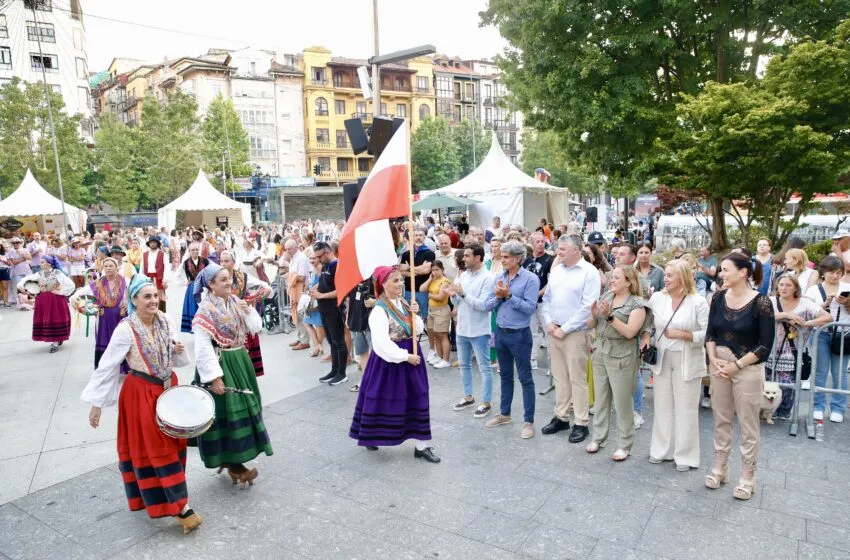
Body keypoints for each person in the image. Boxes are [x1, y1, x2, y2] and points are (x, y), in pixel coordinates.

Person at [80, 275, 202, 534]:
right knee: (157, 448)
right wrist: (97, 404)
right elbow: (108, 365)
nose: (153, 300)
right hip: (140, 393)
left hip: (169, 389)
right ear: (134, 300)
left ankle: (173, 498)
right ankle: (181, 506)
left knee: (174, 444)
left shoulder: (166, 321)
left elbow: (179, 361)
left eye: (155, 296)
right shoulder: (126, 329)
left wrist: (179, 350)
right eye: (147, 297)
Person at [192, 263, 274, 485]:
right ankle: (235, 464)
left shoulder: (235, 302)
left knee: (244, 409)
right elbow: (202, 347)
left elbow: (255, 327)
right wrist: (214, 377)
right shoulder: (205, 311)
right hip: (221, 365)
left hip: (240, 360)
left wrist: (249, 311)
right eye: (223, 280)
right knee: (228, 414)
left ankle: (231, 461)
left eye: (229, 279)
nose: (229, 283)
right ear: (210, 284)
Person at [348, 265, 440, 463]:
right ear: (383, 284)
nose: (400, 284)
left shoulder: (404, 303)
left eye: (401, 280)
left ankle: (421, 445)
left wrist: (415, 313)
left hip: (412, 356)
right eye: (395, 280)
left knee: (418, 395)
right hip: (390, 362)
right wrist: (404, 356)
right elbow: (380, 344)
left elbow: (418, 330)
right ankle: (370, 435)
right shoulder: (379, 311)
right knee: (383, 398)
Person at [705, 252, 774, 500]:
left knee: (748, 423)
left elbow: (765, 345)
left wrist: (737, 365)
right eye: (721, 270)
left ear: (743, 272)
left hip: (748, 368)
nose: (721, 274)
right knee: (720, 419)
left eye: (725, 269)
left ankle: (748, 474)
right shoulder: (718, 297)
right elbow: (711, 333)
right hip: (719, 365)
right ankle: (720, 467)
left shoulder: (761, 302)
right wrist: (713, 359)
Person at [643, 260, 709, 471]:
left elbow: (708, 334)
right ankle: (661, 450)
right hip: (662, 358)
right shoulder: (657, 298)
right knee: (662, 406)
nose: (666, 278)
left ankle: (686, 456)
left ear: (683, 277)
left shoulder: (698, 302)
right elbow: (649, 323)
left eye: (670, 275)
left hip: (686, 360)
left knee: (686, 409)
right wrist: (646, 336)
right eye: (666, 274)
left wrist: (685, 335)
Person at [540, 234, 600, 443]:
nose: (559, 252)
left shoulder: (589, 273)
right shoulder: (556, 271)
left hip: (575, 333)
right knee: (559, 377)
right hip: (554, 329)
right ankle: (561, 416)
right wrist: (548, 323)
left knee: (577, 378)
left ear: (576, 250)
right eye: (559, 248)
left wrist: (564, 329)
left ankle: (581, 422)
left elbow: (587, 307)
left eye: (563, 249)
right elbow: (546, 299)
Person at [585, 265, 647, 460]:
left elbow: (630, 332)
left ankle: (625, 444)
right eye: (611, 277)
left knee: (622, 403)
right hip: (601, 351)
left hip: (622, 355)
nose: (611, 280)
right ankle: (598, 437)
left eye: (616, 278)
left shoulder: (637, 304)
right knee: (601, 400)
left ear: (628, 281)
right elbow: (590, 324)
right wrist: (594, 313)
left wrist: (610, 316)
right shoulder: (606, 297)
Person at [483, 240, 540, 439]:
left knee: (525, 378)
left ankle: (528, 421)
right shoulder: (500, 276)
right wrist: (499, 297)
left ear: (517, 259)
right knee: (505, 375)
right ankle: (505, 414)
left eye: (506, 257)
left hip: (520, 335)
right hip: (501, 332)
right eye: (502, 256)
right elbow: (487, 304)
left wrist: (508, 297)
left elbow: (530, 308)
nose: (502, 259)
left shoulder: (531, 279)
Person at [768, 273, 830, 420]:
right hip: (769, 350)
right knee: (768, 382)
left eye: (788, 285)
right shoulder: (770, 301)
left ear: (796, 288)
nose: (784, 288)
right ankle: (767, 410)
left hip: (792, 351)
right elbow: (760, 316)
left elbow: (828, 317)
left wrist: (807, 324)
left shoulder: (805, 303)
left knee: (788, 384)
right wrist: (786, 315)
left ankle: (784, 411)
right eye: (781, 285)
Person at [447, 244, 495, 418]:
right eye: (464, 256)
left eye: (467, 256)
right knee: (464, 365)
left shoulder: (489, 278)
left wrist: (463, 293)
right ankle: (468, 396)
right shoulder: (464, 275)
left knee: (484, 367)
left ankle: (486, 402)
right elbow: (458, 303)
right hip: (462, 328)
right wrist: (452, 294)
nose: (463, 259)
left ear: (478, 257)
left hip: (479, 330)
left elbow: (483, 306)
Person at [805, 255, 850, 422]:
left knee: (840, 373)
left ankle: (838, 408)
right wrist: (824, 305)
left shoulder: (847, 287)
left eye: (839, 272)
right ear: (823, 272)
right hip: (821, 334)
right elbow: (807, 310)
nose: (835, 276)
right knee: (820, 372)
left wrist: (847, 303)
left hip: (844, 334)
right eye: (831, 272)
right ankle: (818, 406)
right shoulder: (813, 290)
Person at [219, 251, 271, 378]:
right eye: (221, 261)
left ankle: (247, 381)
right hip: (225, 322)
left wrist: (258, 296)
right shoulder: (216, 278)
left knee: (246, 355)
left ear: (234, 262)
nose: (223, 264)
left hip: (242, 322)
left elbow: (265, 286)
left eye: (227, 261)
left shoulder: (243, 277)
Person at [71, 257, 128, 367]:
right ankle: (106, 366)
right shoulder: (99, 283)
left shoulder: (125, 280)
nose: (108, 268)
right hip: (104, 316)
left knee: (121, 340)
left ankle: (123, 366)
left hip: (120, 316)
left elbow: (133, 293)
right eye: (106, 266)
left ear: (117, 268)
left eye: (111, 266)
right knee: (105, 340)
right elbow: (82, 292)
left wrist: (127, 305)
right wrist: (74, 299)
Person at [18, 255, 75, 353]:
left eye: (43, 262)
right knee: (47, 319)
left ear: (49, 263)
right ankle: (56, 340)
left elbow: (71, 285)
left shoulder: (58, 273)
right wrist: (21, 285)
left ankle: (55, 342)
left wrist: (60, 292)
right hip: (43, 301)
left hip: (56, 301)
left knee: (55, 318)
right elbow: (26, 280)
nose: (40, 264)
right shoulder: (39, 274)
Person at [312, 241, 349, 386]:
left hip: (334, 308)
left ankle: (342, 372)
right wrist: (316, 288)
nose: (317, 260)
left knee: (338, 341)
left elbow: (341, 290)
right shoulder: (326, 266)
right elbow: (324, 283)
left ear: (327, 253)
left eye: (319, 256)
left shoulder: (337, 266)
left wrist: (321, 296)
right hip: (324, 308)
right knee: (331, 341)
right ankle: (334, 370)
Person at [523, 232, 555, 370]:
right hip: (530, 302)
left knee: (549, 331)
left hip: (544, 301)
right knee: (532, 331)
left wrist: (538, 294)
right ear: (532, 243)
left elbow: (551, 282)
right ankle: (532, 358)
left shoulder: (550, 260)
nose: (541, 244)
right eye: (538, 241)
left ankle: (553, 362)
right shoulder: (527, 261)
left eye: (543, 241)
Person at [420, 260, 452, 369]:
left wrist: (430, 295)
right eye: (433, 270)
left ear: (442, 269)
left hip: (441, 310)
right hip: (432, 310)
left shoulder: (445, 281)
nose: (434, 272)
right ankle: (439, 356)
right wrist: (429, 279)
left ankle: (446, 359)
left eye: (437, 270)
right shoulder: (433, 280)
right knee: (435, 334)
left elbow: (440, 297)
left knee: (442, 334)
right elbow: (421, 289)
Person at [399, 227, 436, 320]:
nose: (418, 237)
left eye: (420, 235)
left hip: (423, 291)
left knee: (425, 317)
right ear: (412, 238)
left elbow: (426, 270)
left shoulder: (430, 253)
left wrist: (409, 268)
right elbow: (401, 271)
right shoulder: (406, 254)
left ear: (424, 238)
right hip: (408, 290)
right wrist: (416, 272)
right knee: (410, 316)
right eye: (416, 235)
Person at [347, 278, 375, 392]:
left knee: (376, 354)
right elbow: (350, 300)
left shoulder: (375, 280)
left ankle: (377, 382)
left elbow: (390, 298)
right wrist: (348, 317)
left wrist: (376, 301)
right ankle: (365, 380)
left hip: (371, 323)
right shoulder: (352, 279)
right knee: (362, 353)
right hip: (356, 322)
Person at [283, 239, 312, 351]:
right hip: (294, 289)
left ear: (296, 247)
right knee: (296, 313)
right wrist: (290, 275)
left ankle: (305, 341)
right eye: (286, 249)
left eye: (289, 249)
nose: (287, 251)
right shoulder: (293, 257)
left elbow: (301, 277)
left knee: (301, 315)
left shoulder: (302, 258)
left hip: (301, 289)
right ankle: (300, 338)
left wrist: (289, 276)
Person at [180, 243, 208, 333]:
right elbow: (178, 274)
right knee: (194, 307)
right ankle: (196, 329)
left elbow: (210, 272)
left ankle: (205, 329)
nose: (195, 251)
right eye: (193, 250)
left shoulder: (205, 261)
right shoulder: (186, 262)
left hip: (203, 286)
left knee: (204, 308)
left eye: (196, 249)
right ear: (189, 251)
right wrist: (185, 282)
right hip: (192, 288)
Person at [304, 253, 326, 358]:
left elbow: (323, 282)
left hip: (318, 300)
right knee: (307, 322)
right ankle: (317, 345)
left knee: (319, 325)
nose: (312, 260)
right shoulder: (314, 268)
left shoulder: (320, 268)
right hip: (312, 299)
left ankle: (318, 347)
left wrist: (314, 288)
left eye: (314, 258)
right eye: (310, 258)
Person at [142, 237, 168, 312]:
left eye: (154, 242)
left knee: (161, 297)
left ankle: (162, 314)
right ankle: (150, 313)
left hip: (159, 278)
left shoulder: (162, 254)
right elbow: (142, 268)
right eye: (151, 242)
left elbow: (166, 267)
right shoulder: (145, 254)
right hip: (148, 278)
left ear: (157, 243)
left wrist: (165, 280)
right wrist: (142, 279)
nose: (152, 244)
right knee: (148, 296)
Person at [8, 237, 32, 305]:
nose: (16, 244)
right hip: (18, 273)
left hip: (27, 271)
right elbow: (14, 262)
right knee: (20, 288)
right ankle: (22, 304)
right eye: (14, 243)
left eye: (17, 242)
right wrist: (24, 258)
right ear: (13, 244)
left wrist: (23, 255)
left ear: (20, 243)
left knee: (28, 287)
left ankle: (29, 303)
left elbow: (30, 257)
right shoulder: (11, 251)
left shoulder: (25, 249)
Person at [0, 240, 9, 307]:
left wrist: (3, 260)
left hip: (4, 270)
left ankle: (6, 302)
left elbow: (9, 263)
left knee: (5, 287)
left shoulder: (5, 253)